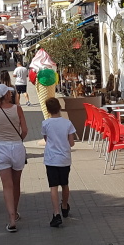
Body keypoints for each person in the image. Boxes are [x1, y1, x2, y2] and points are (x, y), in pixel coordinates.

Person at [0, 83, 27, 232]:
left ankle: (11, 219)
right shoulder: (17, 109)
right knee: (16, 183)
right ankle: (15, 212)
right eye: (9, 92)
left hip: (1, 148)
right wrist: (19, 139)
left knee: (7, 185)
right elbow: (25, 130)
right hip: (17, 147)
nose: (11, 94)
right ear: (5, 95)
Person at [41, 97, 76, 227]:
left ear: (48, 110)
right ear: (59, 108)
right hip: (64, 159)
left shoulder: (45, 124)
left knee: (53, 187)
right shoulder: (68, 123)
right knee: (65, 184)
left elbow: (46, 139)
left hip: (51, 159)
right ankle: (65, 206)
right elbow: (71, 143)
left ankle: (56, 214)